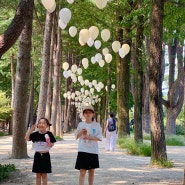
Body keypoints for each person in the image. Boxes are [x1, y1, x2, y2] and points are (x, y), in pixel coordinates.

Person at [75, 105, 102, 185]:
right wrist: (81, 132)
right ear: (83, 114)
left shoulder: (96, 125)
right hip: (82, 150)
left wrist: (89, 137)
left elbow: (99, 138)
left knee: (91, 171)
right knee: (82, 172)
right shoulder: (80, 124)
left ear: (93, 114)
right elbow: (76, 136)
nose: (88, 114)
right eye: (86, 112)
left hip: (93, 150)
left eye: (90, 112)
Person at [25, 118, 56, 185]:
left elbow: (52, 144)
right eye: (40, 123)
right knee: (38, 175)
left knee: (44, 175)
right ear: (37, 125)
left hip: (46, 156)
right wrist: (31, 130)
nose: (41, 124)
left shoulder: (49, 134)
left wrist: (49, 144)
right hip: (37, 156)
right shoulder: (35, 134)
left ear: (47, 125)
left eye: (44, 123)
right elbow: (27, 138)